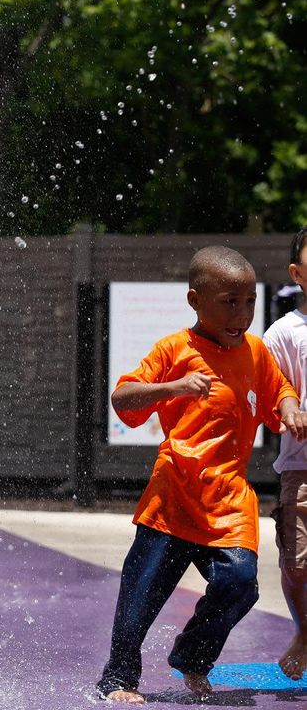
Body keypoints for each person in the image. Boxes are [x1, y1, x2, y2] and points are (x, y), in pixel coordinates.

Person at [96, 246, 307, 703]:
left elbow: (279, 391)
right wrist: (173, 387)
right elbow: (123, 398)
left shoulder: (255, 351)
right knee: (140, 599)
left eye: (249, 301)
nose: (242, 313)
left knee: (239, 585)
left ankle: (192, 657)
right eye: (229, 302)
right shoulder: (175, 349)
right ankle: (119, 678)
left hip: (229, 499)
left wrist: (290, 408)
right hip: (173, 496)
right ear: (195, 301)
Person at [262, 228, 307, 681]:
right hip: (302, 465)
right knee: (296, 562)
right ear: (298, 273)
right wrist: (287, 409)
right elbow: (269, 393)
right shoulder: (284, 333)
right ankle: (304, 629)